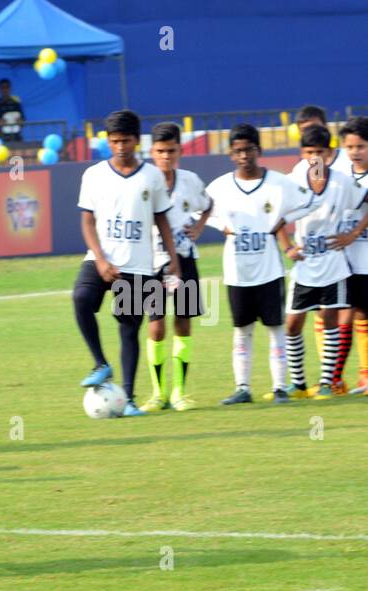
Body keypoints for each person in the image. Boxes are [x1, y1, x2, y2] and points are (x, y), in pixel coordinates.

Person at [73, 109, 180, 415]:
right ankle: (100, 364)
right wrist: (101, 259)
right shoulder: (93, 175)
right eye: (115, 141)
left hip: (137, 265)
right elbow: (87, 222)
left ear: (137, 141)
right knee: (81, 298)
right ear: (108, 141)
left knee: (128, 329)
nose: (120, 147)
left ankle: (129, 399)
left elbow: (162, 220)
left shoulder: (151, 177)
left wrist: (172, 260)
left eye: (126, 141)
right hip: (100, 259)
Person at [206, 124, 318, 404]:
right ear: (231, 154)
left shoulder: (278, 183)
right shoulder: (220, 186)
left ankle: (280, 387)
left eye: (249, 149)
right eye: (238, 151)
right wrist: (222, 225)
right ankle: (242, 387)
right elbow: (201, 210)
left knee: (275, 328)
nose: (244, 155)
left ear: (259, 150)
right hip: (237, 272)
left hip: (269, 270)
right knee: (242, 331)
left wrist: (281, 221)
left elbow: (309, 202)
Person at [280, 124, 362, 399]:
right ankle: (298, 383)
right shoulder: (293, 181)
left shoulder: (342, 182)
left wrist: (353, 233)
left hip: (333, 265)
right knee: (292, 323)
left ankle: (327, 383)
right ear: (302, 153)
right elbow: (278, 216)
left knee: (329, 320)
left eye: (319, 152)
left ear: (329, 153)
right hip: (304, 265)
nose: (314, 158)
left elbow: (364, 204)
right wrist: (287, 247)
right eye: (308, 153)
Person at [142, 122, 212, 412]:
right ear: (151, 152)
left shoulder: (190, 181)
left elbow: (208, 204)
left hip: (184, 257)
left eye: (171, 150)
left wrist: (198, 227)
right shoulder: (144, 181)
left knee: (183, 321)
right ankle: (158, 393)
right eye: (160, 151)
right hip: (150, 260)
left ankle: (180, 392)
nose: (166, 156)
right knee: (155, 325)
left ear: (180, 150)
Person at [336, 117, 368, 394]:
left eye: (361, 146)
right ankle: (336, 379)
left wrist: (356, 231)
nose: (355, 152)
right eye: (350, 146)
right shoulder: (341, 176)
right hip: (347, 260)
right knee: (347, 315)